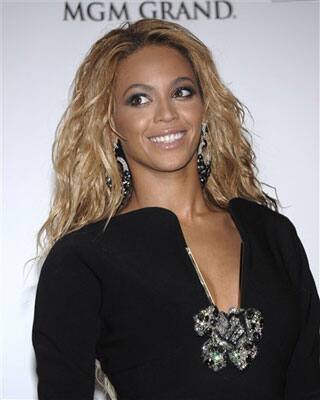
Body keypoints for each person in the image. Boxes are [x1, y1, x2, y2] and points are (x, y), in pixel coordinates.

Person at [31, 18, 320, 400]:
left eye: (182, 92)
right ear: (111, 122)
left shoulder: (272, 233)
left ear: (205, 107)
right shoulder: (83, 259)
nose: (166, 114)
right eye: (139, 99)